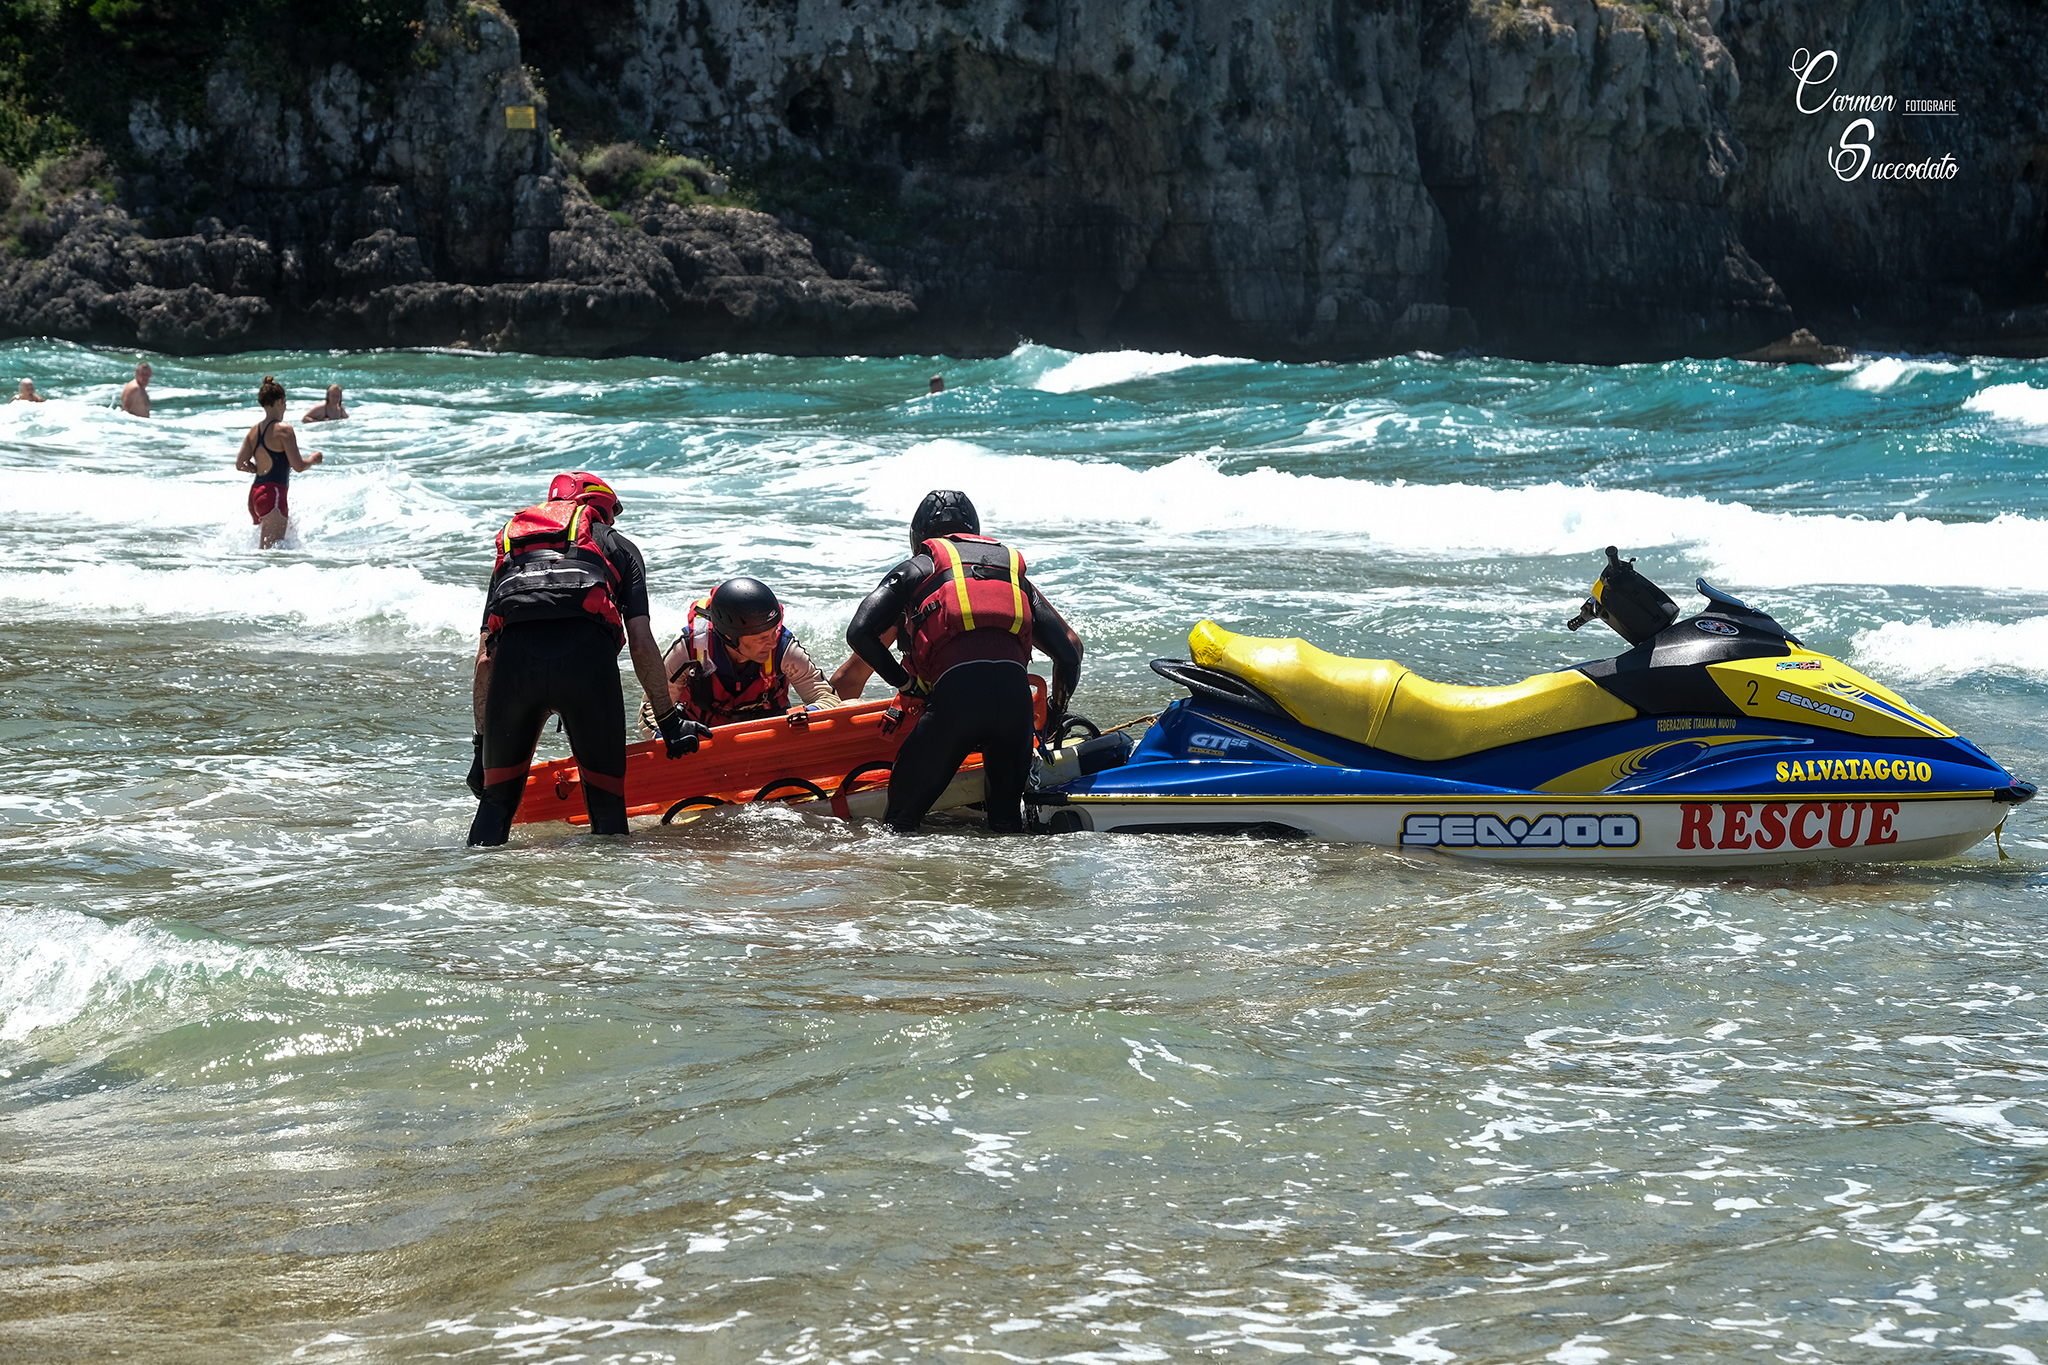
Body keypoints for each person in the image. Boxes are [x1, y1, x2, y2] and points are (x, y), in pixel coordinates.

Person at [466, 471, 709, 846]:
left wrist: (482, 750)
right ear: (600, 509)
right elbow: (642, 644)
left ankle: (469, 897)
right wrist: (669, 723)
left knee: (495, 805)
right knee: (608, 809)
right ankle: (605, 902)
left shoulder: (512, 551)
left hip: (515, 675)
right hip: (587, 672)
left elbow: (485, 659)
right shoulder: (618, 546)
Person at [842, 490, 1083, 834]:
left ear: (919, 536)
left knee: (899, 827)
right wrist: (1053, 718)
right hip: (1015, 713)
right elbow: (1069, 654)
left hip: (954, 707)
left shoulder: (918, 568)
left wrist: (906, 683)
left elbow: (859, 632)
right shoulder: (1011, 575)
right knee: (1006, 830)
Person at [639, 576, 846, 734]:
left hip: (769, 735)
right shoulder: (688, 650)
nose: (772, 642)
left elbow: (828, 698)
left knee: (853, 704)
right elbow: (651, 710)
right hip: (705, 738)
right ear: (729, 637)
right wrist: (670, 734)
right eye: (761, 638)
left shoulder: (784, 648)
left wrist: (809, 713)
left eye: (773, 632)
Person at [234, 375, 324, 549]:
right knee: (270, 555)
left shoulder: (255, 431)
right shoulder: (284, 430)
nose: (285, 407)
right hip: (273, 494)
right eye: (285, 402)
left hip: (256, 494)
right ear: (280, 402)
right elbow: (298, 466)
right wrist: (313, 459)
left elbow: (240, 464)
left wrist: (259, 469)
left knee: (288, 539)